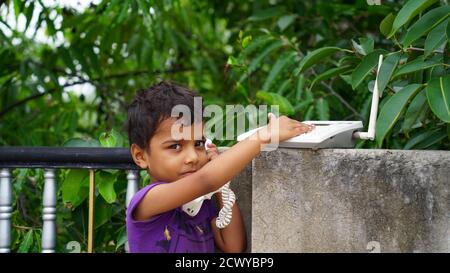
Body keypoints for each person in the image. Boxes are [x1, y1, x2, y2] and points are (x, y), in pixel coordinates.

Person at [125, 81, 313, 253]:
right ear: (141, 156)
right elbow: (205, 180)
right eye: (175, 146)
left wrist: (220, 189)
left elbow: (234, 247)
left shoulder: (201, 204)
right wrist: (265, 135)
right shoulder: (147, 201)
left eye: (198, 144)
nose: (192, 157)